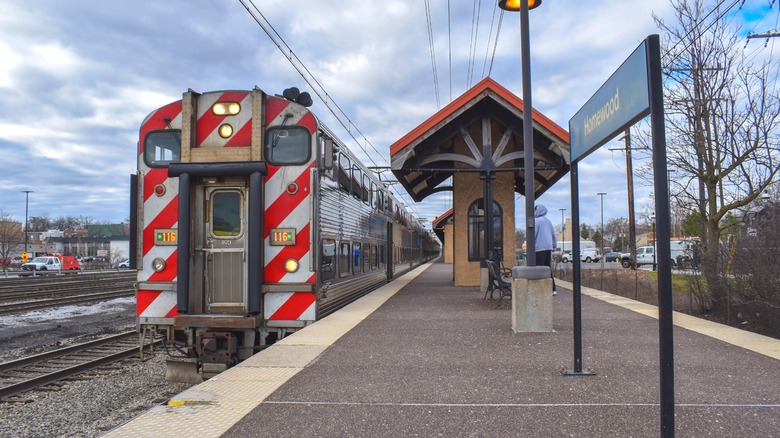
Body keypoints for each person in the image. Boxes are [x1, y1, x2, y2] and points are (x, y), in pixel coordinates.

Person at [534, 204, 557, 296]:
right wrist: (554, 245)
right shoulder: (548, 221)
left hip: (539, 248)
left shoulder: (536, 221)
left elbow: (533, 233)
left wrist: (530, 244)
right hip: (548, 247)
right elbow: (553, 234)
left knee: (538, 269)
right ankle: (552, 288)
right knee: (547, 268)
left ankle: (539, 289)